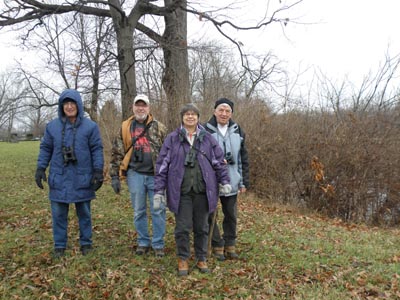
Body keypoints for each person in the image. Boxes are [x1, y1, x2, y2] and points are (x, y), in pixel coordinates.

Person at [154, 103, 231, 276]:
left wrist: (224, 181)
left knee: (202, 227)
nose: (190, 117)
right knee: (182, 227)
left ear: (198, 117)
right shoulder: (172, 139)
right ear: (182, 117)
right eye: (187, 114)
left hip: (203, 191)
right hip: (181, 192)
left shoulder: (208, 138)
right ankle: (183, 258)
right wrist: (159, 191)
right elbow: (162, 166)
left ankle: (201, 257)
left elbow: (218, 161)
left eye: (193, 114)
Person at [35, 89, 104, 258]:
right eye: (66, 103)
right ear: (62, 106)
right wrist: (40, 168)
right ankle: (59, 245)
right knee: (58, 214)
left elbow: (97, 149)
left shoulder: (91, 127)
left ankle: (86, 243)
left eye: (72, 103)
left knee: (84, 213)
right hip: (59, 177)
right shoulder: (52, 127)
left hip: (82, 176)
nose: (69, 106)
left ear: (78, 105)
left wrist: (98, 171)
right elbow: (46, 148)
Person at [109, 94, 167, 257]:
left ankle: (158, 244)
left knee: (158, 210)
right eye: (138, 105)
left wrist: (169, 175)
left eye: (144, 105)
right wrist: (114, 175)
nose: (140, 108)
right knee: (139, 211)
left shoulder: (159, 127)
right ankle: (143, 242)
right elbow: (116, 151)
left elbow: (168, 152)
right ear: (133, 107)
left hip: (156, 176)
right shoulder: (125, 127)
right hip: (135, 175)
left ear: (149, 108)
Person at [206, 98, 249, 261]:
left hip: (231, 180)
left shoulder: (238, 131)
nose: (224, 114)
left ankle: (230, 244)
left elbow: (242, 158)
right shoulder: (204, 130)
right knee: (210, 214)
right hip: (210, 181)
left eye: (227, 111)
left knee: (230, 214)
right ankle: (217, 244)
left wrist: (243, 182)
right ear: (214, 111)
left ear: (231, 113)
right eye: (220, 110)